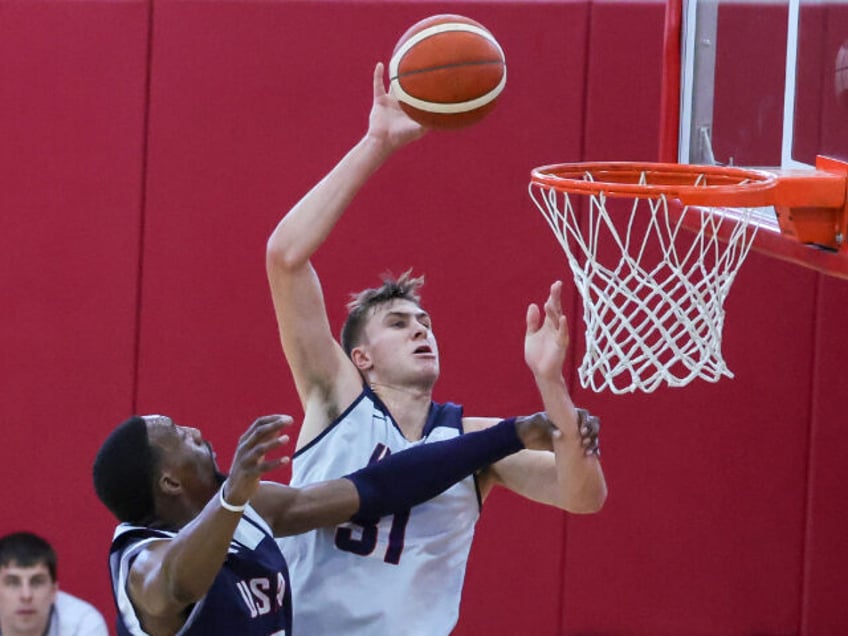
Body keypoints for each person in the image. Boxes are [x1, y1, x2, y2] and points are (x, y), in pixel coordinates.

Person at [266, 62, 608, 635]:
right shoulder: (335, 399)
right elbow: (284, 257)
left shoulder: (476, 442)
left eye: (424, 321)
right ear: (361, 357)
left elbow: (584, 497)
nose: (421, 329)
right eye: (398, 323)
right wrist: (376, 143)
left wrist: (551, 383)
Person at [92, 410, 557, 635]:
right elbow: (174, 585)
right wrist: (232, 496)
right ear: (170, 482)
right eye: (177, 433)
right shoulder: (139, 561)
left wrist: (507, 436)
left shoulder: (255, 509)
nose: (194, 430)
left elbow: (375, 488)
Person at [0, 532, 108, 636]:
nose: (26, 595)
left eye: (37, 582)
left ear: (53, 591)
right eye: (12, 583)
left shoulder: (83, 624)